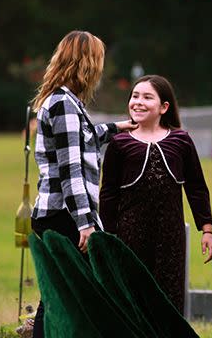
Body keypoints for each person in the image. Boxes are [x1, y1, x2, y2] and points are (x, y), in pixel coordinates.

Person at [30, 30, 137, 338]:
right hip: (64, 214)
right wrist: (85, 223)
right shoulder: (64, 103)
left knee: (58, 294)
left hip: (57, 213)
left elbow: (83, 139)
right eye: (98, 61)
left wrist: (118, 128)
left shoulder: (65, 101)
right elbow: (71, 168)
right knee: (67, 296)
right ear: (87, 63)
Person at [99, 74, 212, 314]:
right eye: (135, 96)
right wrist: (108, 238)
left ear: (164, 107)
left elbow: (196, 187)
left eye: (147, 97)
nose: (138, 102)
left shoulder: (181, 141)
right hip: (128, 238)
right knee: (132, 302)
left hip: (170, 238)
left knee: (168, 302)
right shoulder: (119, 144)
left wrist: (207, 229)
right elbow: (108, 195)